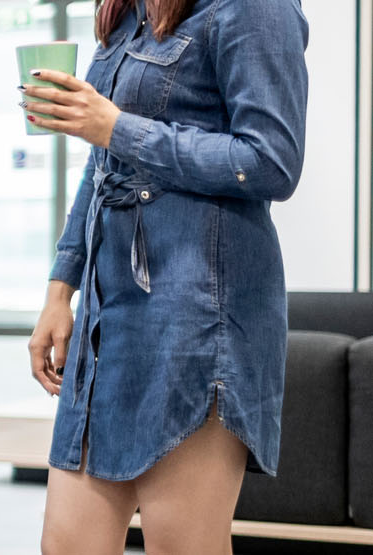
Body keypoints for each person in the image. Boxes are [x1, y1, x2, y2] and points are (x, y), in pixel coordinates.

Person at [22, 1, 309, 553]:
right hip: (108, 318)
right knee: (66, 543)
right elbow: (100, 163)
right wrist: (61, 290)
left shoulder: (253, 6)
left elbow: (272, 160)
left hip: (199, 313)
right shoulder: (127, 11)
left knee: (183, 545)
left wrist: (119, 128)